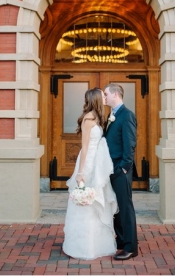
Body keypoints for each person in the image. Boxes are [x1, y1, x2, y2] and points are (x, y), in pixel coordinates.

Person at [62, 88, 118, 260]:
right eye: (102, 96)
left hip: (98, 163)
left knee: (97, 199)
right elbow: (85, 147)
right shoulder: (88, 119)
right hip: (88, 163)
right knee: (87, 202)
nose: (105, 98)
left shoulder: (98, 117)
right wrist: (80, 173)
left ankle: (98, 243)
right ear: (96, 98)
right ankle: (83, 245)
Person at [103, 83, 139, 260]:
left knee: (125, 208)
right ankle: (121, 241)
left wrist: (124, 167)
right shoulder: (112, 115)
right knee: (116, 208)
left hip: (121, 170)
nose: (105, 97)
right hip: (111, 168)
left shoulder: (127, 115)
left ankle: (131, 247)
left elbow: (130, 144)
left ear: (115, 94)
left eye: (106, 94)